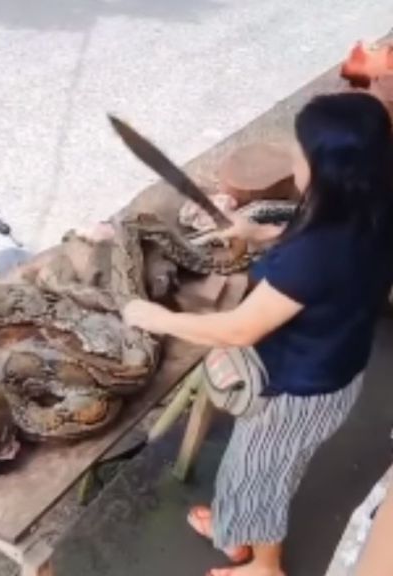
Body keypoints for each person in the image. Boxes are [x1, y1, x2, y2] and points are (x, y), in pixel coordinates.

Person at [122, 91, 393, 576]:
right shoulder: (373, 202)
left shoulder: (315, 255)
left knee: (262, 474)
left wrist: (153, 317)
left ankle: (264, 565)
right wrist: (260, 234)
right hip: (335, 367)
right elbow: (320, 243)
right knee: (254, 466)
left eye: (299, 155)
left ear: (326, 171)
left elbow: (239, 328)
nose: (292, 163)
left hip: (298, 391)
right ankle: (233, 524)